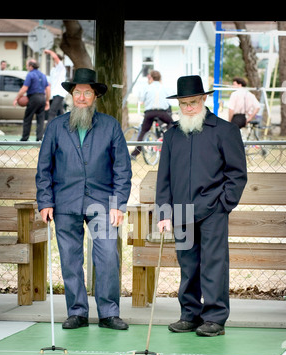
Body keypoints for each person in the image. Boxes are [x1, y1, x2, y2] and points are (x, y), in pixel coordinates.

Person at [36, 68, 132, 330]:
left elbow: (122, 169)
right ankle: (77, 312)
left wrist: (118, 204)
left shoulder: (110, 126)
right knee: (69, 258)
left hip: (102, 204)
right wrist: (45, 201)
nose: (80, 97)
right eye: (76, 92)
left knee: (108, 257)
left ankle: (109, 312)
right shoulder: (55, 127)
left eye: (86, 93)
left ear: (95, 96)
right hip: (65, 203)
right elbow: (44, 168)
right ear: (71, 95)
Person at [156, 75, 247, 337]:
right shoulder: (172, 135)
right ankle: (189, 315)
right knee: (188, 265)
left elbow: (237, 174)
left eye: (193, 102)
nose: (188, 108)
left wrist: (223, 204)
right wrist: (164, 213)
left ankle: (215, 318)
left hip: (212, 209)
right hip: (181, 212)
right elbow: (164, 178)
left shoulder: (225, 130)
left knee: (213, 264)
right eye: (183, 103)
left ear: (204, 99)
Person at [130, 70, 173, 159]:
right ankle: (167, 141)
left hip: (149, 112)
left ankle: (135, 153)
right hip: (161, 112)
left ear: (151, 78)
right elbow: (167, 102)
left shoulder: (147, 87)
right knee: (171, 123)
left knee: (143, 131)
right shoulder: (163, 87)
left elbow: (142, 100)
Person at [13, 59, 50, 141]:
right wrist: (47, 101)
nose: (27, 67)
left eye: (27, 66)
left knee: (28, 118)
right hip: (42, 97)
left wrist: (17, 98)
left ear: (31, 66)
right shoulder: (43, 75)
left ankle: (25, 138)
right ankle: (39, 139)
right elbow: (48, 89)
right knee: (40, 120)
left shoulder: (30, 74)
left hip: (33, 97)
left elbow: (24, 88)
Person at [44, 49, 67, 124]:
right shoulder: (53, 70)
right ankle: (67, 129)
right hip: (53, 94)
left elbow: (55, 57)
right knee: (60, 114)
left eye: (54, 60)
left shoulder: (61, 67)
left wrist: (49, 51)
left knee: (51, 112)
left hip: (59, 93)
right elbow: (49, 83)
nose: (54, 61)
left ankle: (47, 131)